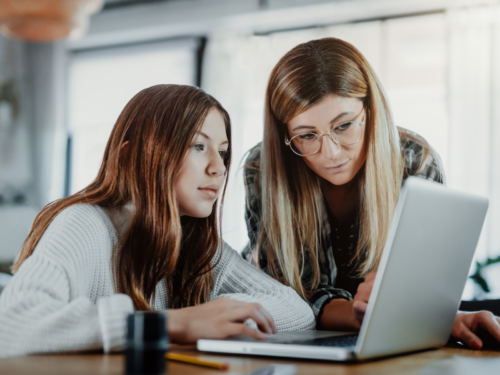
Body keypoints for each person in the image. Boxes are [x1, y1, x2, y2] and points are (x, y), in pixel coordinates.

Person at [0, 84, 314, 359]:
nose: (218, 168)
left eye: (223, 152)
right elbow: (11, 325)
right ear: (132, 154)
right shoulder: (84, 223)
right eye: (198, 146)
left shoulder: (197, 246)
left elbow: (297, 311)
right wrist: (173, 324)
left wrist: (217, 314)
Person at [242, 38, 500, 350]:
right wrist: (366, 313)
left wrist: (443, 317)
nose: (331, 153)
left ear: (371, 111)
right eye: (307, 135)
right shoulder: (263, 169)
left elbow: (423, 293)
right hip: (298, 348)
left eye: (344, 125)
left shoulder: (415, 163)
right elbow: (287, 300)